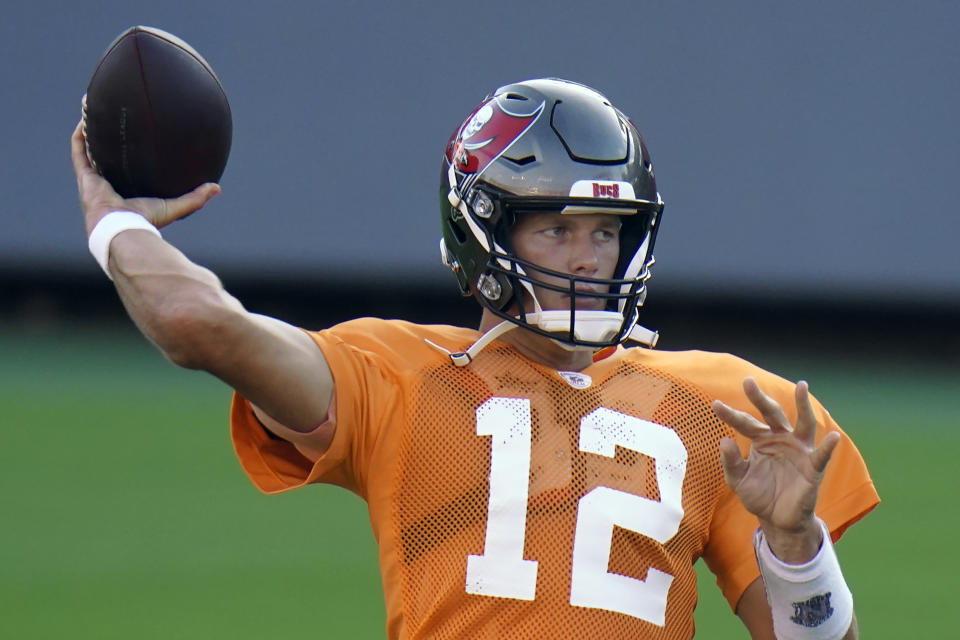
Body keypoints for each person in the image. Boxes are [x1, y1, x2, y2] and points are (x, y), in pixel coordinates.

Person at [71, 78, 878, 639]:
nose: (589, 256)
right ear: (485, 230)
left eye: (606, 232)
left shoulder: (725, 407)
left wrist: (797, 547)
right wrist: (118, 225)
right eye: (554, 228)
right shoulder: (395, 375)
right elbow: (192, 318)